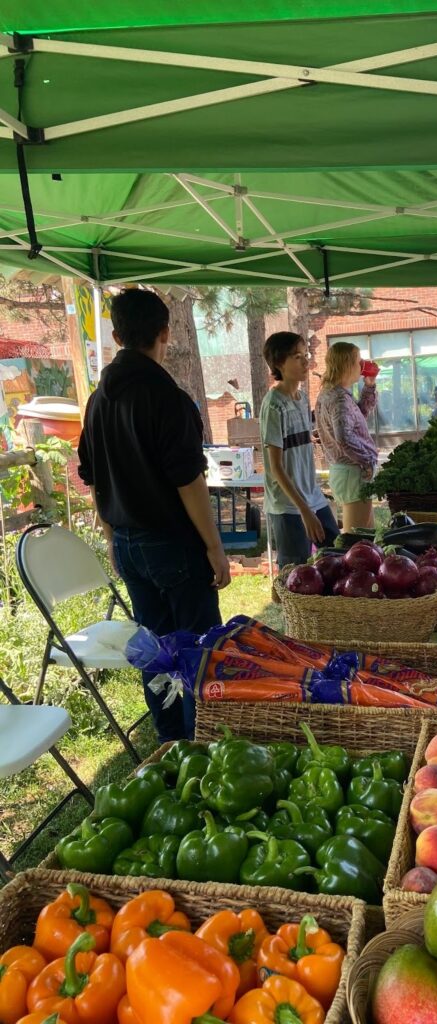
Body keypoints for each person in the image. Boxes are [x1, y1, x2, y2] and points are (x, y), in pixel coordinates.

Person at [78, 289, 230, 742]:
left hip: (128, 543)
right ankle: (199, 745)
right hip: (172, 544)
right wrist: (214, 547)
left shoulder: (97, 400)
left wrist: (111, 536)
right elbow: (188, 480)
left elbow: (92, 477)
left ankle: (170, 741)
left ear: (116, 336)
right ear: (165, 333)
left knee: (155, 648)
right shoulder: (167, 397)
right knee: (198, 650)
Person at [260, 331, 340, 568]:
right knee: (296, 572)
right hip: (288, 505)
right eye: (297, 357)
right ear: (278, 364)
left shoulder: (302, 399)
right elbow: (276, 467)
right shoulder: (273, 405)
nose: (306, 362)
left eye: (306, 355)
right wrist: (304, 510)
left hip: (313, 496)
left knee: (337, 557)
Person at [314, 342, 379, 531]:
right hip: (352, 471)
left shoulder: (335, 393)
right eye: (359, 361)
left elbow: (360, 415)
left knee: (366, 535)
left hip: (349, 471)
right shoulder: (339, 398)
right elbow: (344, 438)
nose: (362, 365)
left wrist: (369, 386)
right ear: (347, 364)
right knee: (356, 537)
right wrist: (367, 460)